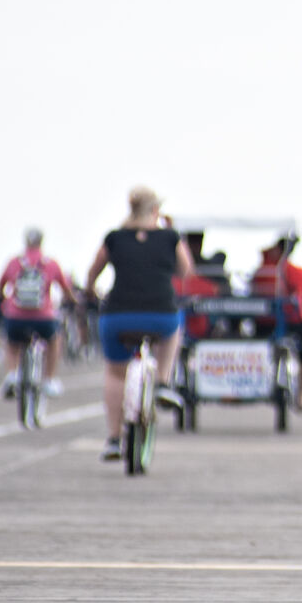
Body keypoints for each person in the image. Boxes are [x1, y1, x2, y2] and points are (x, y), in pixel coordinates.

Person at [85, 187, 194, 462]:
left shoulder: (114, 238)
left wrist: (90, 293)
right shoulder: (170, 237)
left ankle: (113, 438)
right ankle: (164, 382)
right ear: (156, 210)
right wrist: (171, 235)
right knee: (174, 328)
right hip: (160, 313)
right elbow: (186, 271)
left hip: (118, 314)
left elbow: (92, 273)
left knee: (115, 374)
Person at [0, 228, 79, 399]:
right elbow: (66, 289)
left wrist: (4, 301)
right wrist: (75, 301)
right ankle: (49, 379)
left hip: (16, 317)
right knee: (54, 340)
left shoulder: (14, 262)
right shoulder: (50, 263)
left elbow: (0, 287)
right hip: (43, 318)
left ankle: (12, 374)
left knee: (12, 343)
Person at [251, 236, 302, 411]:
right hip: (290, 322)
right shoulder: (296, 272)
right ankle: (300, 397)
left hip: (263, 323)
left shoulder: (261, 271)